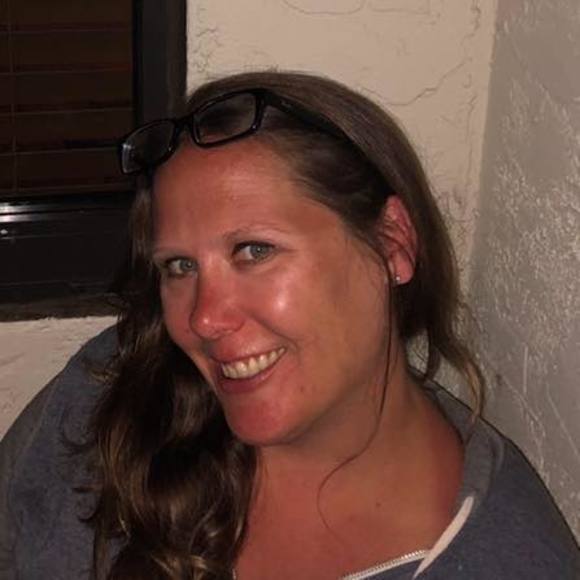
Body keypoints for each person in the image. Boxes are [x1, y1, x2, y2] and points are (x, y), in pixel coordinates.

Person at [1, 71, 578, 580]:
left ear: (392, 244)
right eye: (179, 266)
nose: (204, 318)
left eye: (254, 251)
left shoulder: (507, 562)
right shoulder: (114, 388)